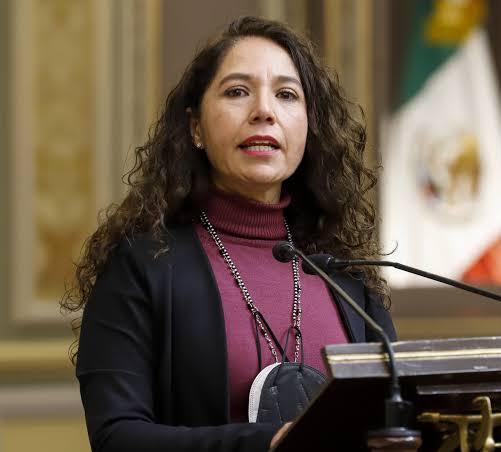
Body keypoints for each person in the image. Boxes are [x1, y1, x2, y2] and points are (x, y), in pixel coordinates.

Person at [61, 16, 396, 452]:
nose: (264, 111)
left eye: (286, 95)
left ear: (309, 126)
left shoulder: (345, 274)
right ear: (195, 128)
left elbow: (396, 419)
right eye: (237, 91)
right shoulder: (142, 265)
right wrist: (269, 443)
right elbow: (116, 437)